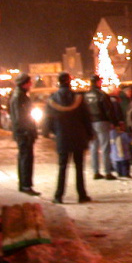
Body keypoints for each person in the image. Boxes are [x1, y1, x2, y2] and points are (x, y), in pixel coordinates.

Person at [41, 72, 93, 204]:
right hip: (78, 136)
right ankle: (81, 195)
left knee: (62, 167)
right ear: (69, 82)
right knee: (79, 167)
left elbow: (48, 119)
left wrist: (51, 132)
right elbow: (86, 118)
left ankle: (59, 195)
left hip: (62, 137)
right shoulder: (78, 98)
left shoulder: (52, 99)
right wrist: (89, 133)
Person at [8, 72, 40, 196]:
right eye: (29, 82)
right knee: (26, 158)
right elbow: (19, 117)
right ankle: (26, 185)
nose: (31, 84)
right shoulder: (19, 97)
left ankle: (24, 184)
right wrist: (26, 131)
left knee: (24, 158)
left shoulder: (19, 95)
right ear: (25, 83)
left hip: (24, 132)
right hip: (24, 133)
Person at [84, 74, 119, 180]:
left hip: (90, 122)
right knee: (105, 147)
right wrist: (114, 122)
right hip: (102, 121)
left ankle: (96, 171)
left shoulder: (86, 95)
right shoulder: (102, 95)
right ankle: (107, 171)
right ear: (98, 82)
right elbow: (108, 109)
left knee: (93, 147)